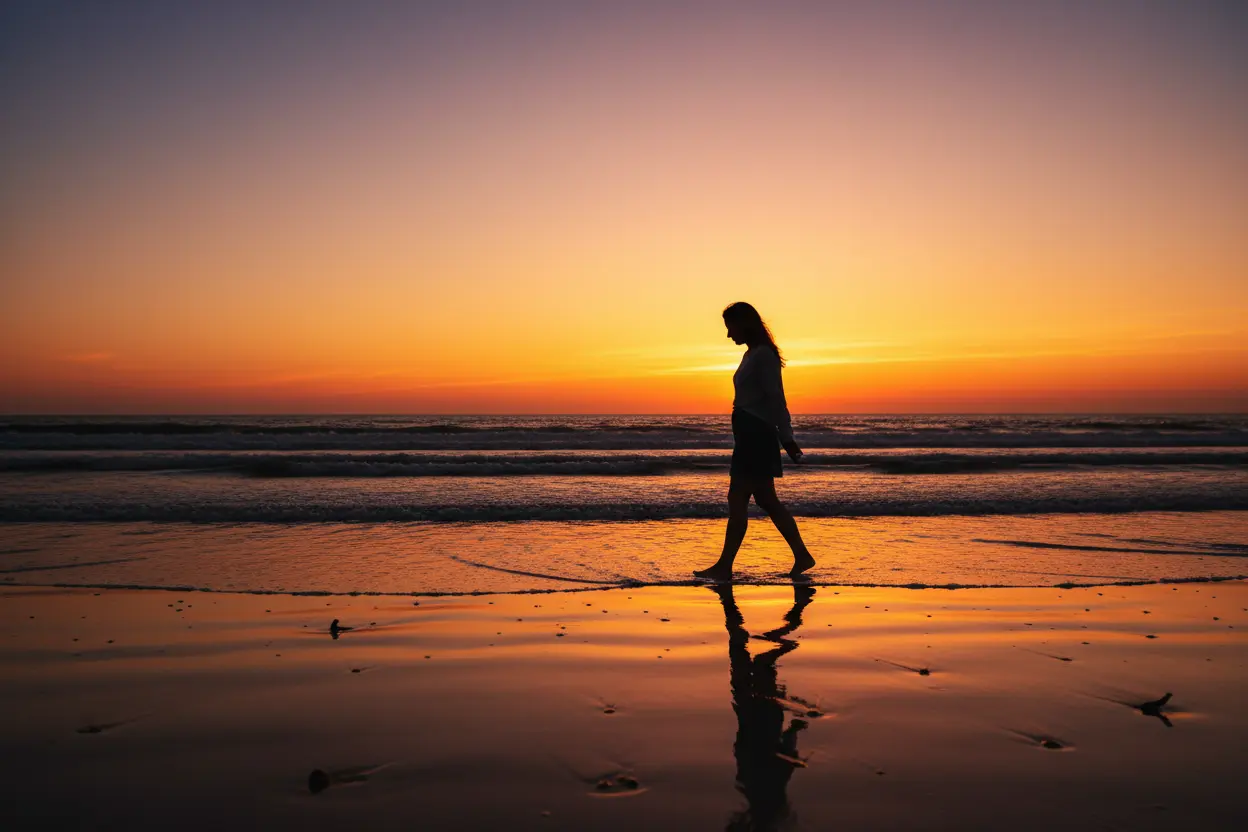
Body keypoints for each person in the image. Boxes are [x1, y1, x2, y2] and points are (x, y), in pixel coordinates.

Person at [695, 302, 815, 580]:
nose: (728, 335)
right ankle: (802, 555)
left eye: (730, 327)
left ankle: (725, 566)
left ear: (744, 323)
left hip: (756, 437)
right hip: (749, 435)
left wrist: (787, 438)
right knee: (767, 499)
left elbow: (776, 399)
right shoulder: (752, 354)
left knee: (738, 497)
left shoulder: (764, 356)